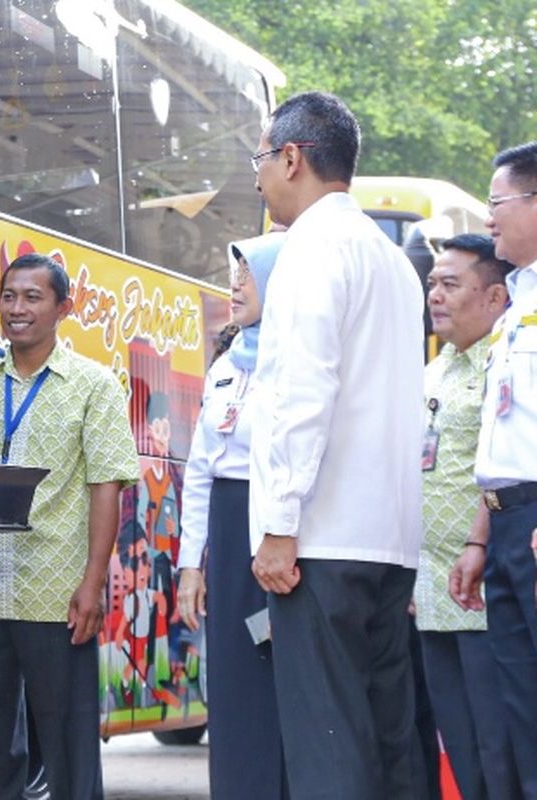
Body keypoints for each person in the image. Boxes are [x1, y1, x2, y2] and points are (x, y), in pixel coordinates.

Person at [247, 91, 426, 799]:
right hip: (389, 537)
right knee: (388, 737)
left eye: (261, 159)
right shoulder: (391, 261)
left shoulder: (309, 251)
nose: (258, 177)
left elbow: (301, 396)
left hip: (320, 537)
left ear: (292, 157)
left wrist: (280, 526)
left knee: (327, 742)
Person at [0, 253, 141, 800]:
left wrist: (92, 583)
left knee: (67, 739)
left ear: (64, 307)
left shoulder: (94, 384)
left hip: (54, 593)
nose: (17, 309)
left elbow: (105, 485)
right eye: (9, 296)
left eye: (32, 297)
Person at [177, 232, 287, 800]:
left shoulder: (296, 360)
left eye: (247, 275)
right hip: (226, 525)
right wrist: (189, 565)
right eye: (234, 273)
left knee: (278, 673)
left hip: (277, 527)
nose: (234, 286)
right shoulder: (227, 363)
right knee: (234, 679)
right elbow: (199, 468)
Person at [416, 233, 519, 800]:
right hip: (431, 589)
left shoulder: (503, 363)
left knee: (497, 743)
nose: (436, 296)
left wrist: (477, 546)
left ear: (495, 296)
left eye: (451, 284)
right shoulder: (436, 369)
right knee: (458, 743)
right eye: (432, 284)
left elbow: (502, 464)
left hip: (481, 590)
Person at [459, 140, 537, 799]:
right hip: (509, 520)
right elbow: (505, 429)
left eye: (497, 202)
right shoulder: (514, 303)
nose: (489, 219)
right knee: (522, 704)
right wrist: (482, 538)